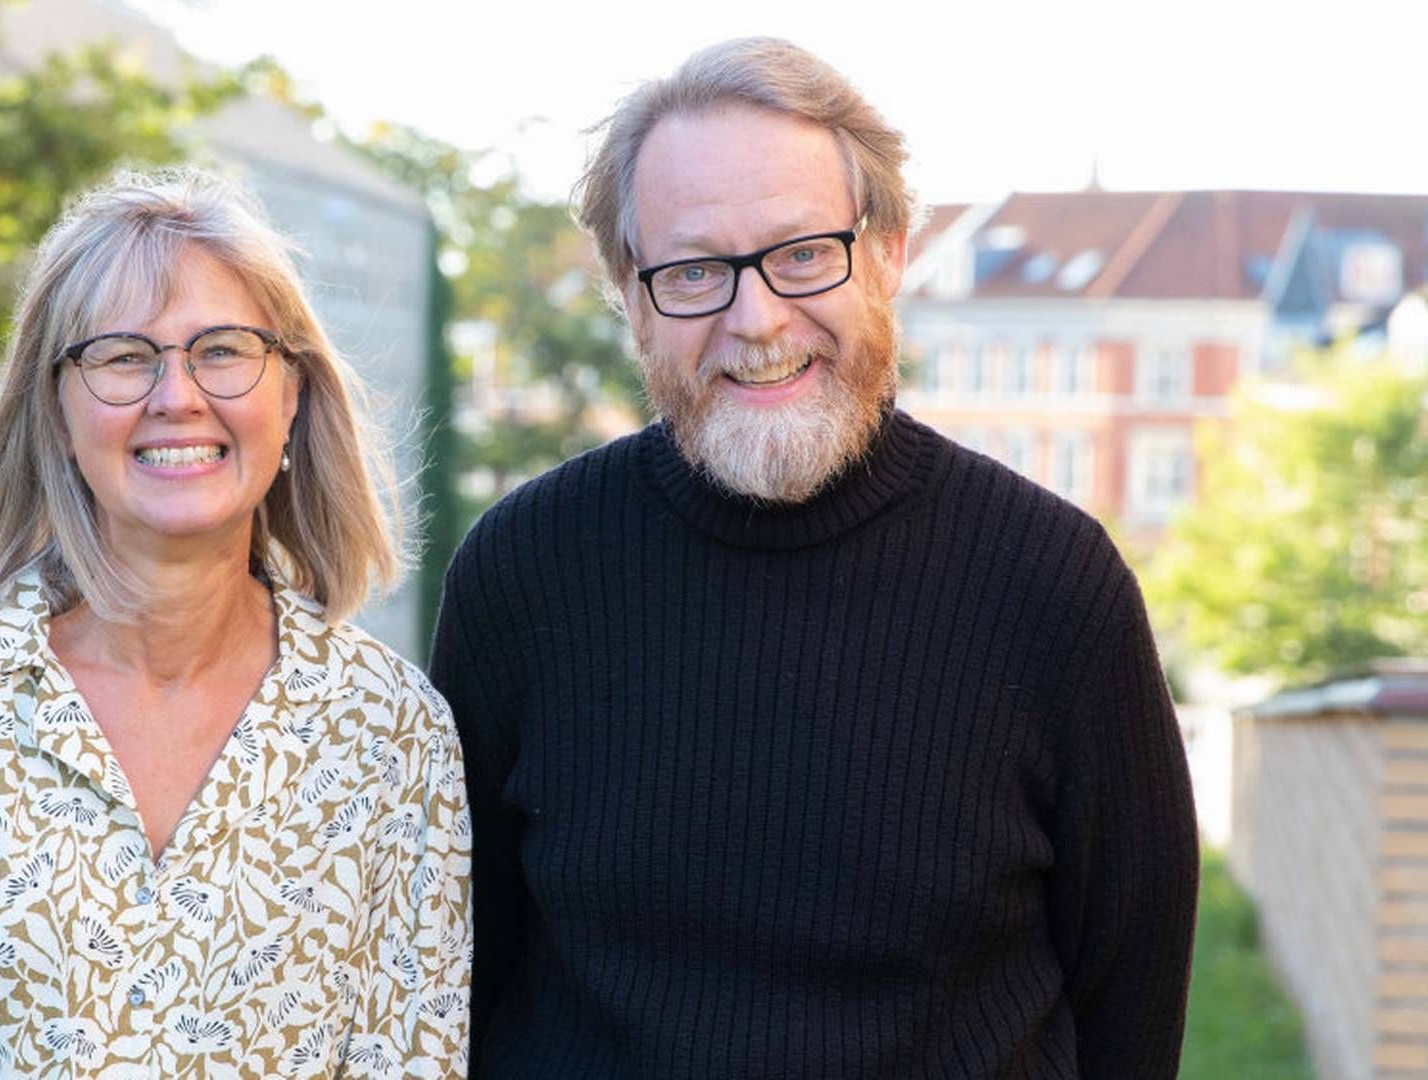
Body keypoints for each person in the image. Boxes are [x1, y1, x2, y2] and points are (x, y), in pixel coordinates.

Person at [429, 38, 1197, 1079]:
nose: (757, 321)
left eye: (801, 254)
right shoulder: (522, 576)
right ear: (632, 295)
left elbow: (1131, 1011)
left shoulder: (1053, 584)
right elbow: (453, 982)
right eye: (695, 271)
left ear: (887, 252)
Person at [0, 168, 470, 1078]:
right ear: (55, 411)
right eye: (124, 356)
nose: (176, 395)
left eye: (222, 350)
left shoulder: (393, 733)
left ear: (290, 394)